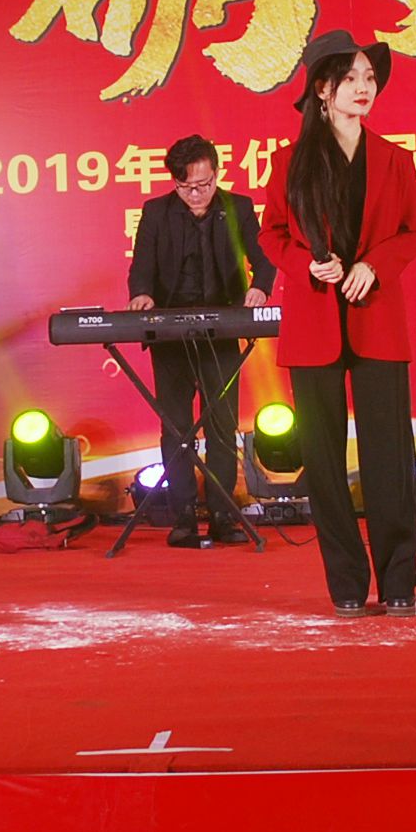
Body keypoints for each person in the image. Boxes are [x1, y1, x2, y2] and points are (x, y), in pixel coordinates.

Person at [259, 32, 416, 616]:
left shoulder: (395, 159)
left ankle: (399, 580)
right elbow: (272, 234)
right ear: (322, 90)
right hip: (313, 323)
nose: (363, 88)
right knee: (325, 465)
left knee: (390, 456)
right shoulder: (289, 162)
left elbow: (412, 233)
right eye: (350, 78)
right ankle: (347, 586)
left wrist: (372, 266)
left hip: (377, 316)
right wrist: (306, 265)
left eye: (369, 78)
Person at [127, 134, 275, 546]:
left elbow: (264, 259)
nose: (196, 194)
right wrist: (142, 294)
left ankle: (224, 515)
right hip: (169, 334)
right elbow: (141, 267)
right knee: (176, 428)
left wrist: (260, 288)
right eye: (186, 187)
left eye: (204, 184)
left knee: (222, 426)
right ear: (174, 182)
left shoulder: (237, 208)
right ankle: (184, 516)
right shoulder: (156, 212)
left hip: (221, 331)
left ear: (216, 173)